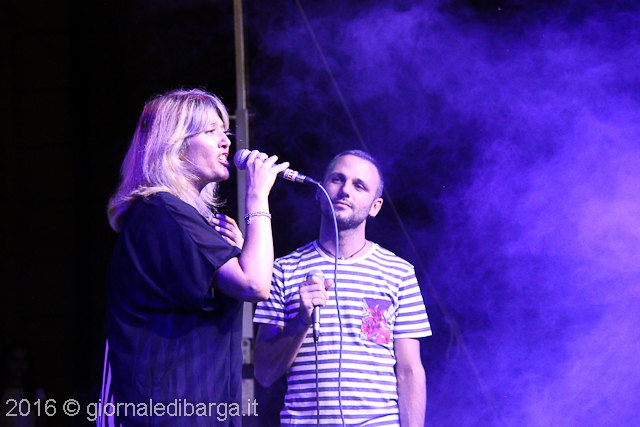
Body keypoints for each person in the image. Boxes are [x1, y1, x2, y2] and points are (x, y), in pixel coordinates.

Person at [98, 88, 288, 427]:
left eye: (224, 131)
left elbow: (250, 280)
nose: (226, 141)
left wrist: (242, 253)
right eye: (210, 131)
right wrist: (257, 197)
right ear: (174, 145)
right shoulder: (163, 212)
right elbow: (255, 285)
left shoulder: (178, 217)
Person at [253, 150, 431, 426]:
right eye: (337, 179)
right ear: (319, 192)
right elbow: (264, 373)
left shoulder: (399, 273)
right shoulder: (282, 270)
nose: (345, 190)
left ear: (375, 207)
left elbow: (409, 372)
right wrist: (301, 321)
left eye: (359, 185)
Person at [0, 343, 47, 427]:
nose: (19, 364)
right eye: (15, 359)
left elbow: (41, 422)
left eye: (23, 360)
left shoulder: (37, 392)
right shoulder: (3, 391)